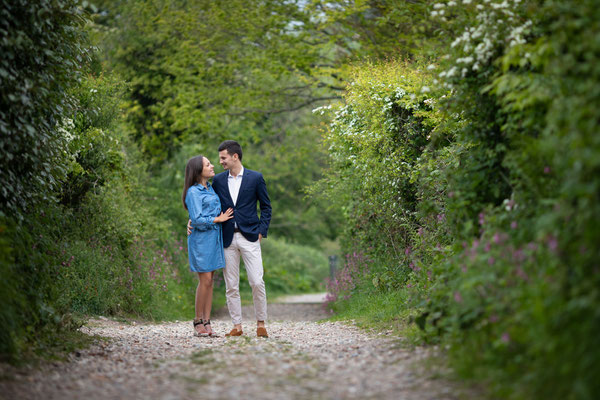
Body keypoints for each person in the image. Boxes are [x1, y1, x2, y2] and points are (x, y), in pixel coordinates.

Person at [188, 140, 272, 338]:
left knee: (256, 281)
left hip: (250, 236)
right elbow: (203, 203)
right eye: (218, 159)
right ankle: (237, 325)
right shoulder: (217, 181)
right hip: (225, 238)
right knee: (231, 285)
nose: (220, 162)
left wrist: (262, 230)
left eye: (223, 158)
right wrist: (190, 220)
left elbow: (266, 207)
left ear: (235, 156)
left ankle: (261, 323)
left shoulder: (256, 178)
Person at [183, 155, 233, 337]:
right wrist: (216, 219)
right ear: (198, 170)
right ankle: (197, 321)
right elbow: (196, 219)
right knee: (204, 281)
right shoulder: (193, 192)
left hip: (214, 239)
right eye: (208, 164)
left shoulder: (210, 188)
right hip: (201, 241)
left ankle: (207, 320)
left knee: (210, 282)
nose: (213, 166)